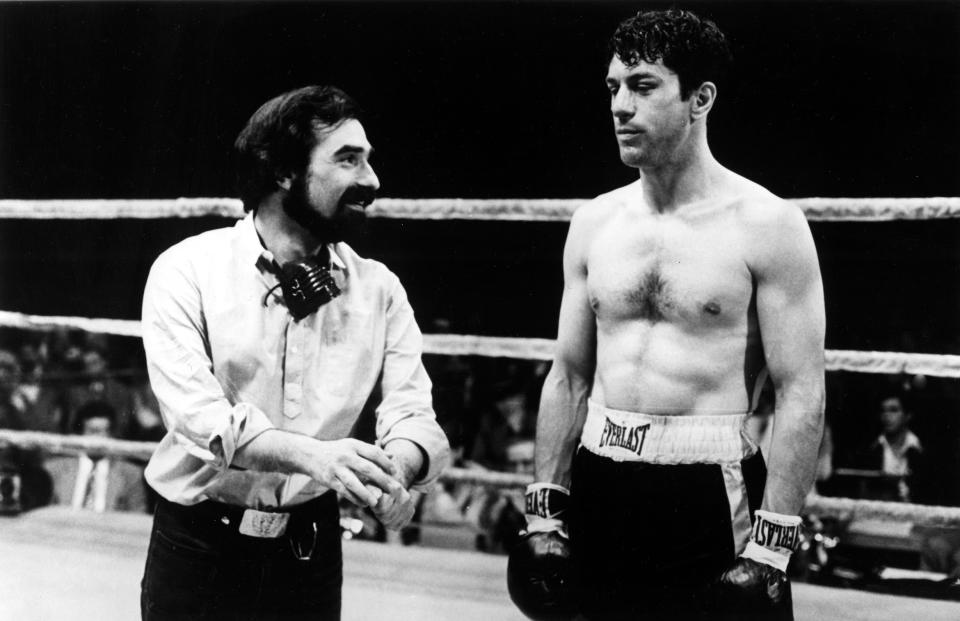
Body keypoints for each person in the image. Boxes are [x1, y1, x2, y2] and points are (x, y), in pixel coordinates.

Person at [509, 9, 825, 621]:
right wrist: (544, 510)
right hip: (600, 480)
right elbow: (569, 375)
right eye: (613, 88)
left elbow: (802, 390)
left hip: (710, 490)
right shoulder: (593, 223)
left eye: (644, 86)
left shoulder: (767, 225)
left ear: (700, 98)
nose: (620, 106)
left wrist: (772, 546)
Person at [139, 85, 450, 620]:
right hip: (198, 546)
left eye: (369, 160)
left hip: (310, 551)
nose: (371, 181)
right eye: (348, 160)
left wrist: (388, 471)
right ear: (282, 172)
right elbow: (200, 419)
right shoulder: (187, 270)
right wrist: (316, 456)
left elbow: (416, 419)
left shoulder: (379, 290)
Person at [45, 400, 147, 513]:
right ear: (81, 434)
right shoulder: (54, 470)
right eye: (93, 431)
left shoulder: (130, 473)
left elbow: (138, 519)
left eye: (105, 432)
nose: (100, 438)